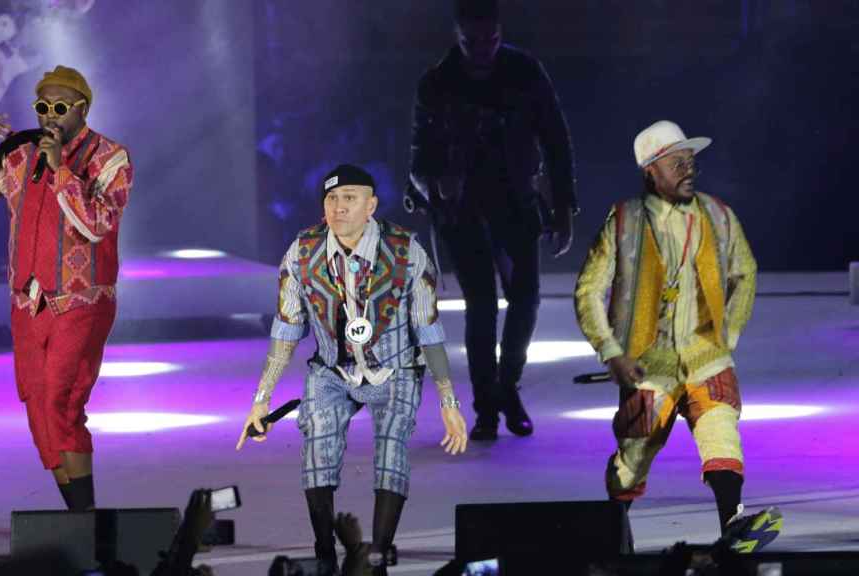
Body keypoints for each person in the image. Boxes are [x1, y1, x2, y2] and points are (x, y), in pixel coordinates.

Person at [238, 164, 467, 575]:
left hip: (395, 367)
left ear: (371, 205)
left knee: (393, 445)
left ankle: (377, 552)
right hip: (332, 369)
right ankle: (325, 551)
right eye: (331, 199)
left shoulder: (405, 251)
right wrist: (261, 400)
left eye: (350, 198)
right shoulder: (302, 253)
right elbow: (286, 331)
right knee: (316, 445)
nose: (339, 208)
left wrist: (448, 401)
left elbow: (428, 330)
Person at [574, 119, 780, 552]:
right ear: (651, 169)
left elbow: (746, 271)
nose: (690, 169)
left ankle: (733, 526)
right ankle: (614, 531)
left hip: (706, 356)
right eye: (678, 162)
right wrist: (611, 351)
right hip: (648, 362)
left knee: (721, 429)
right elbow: (590, 289)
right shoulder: (625, 220)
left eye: (692, 161)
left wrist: (730, 332)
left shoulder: (718, 215)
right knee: (634, 456)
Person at [0, 65, 133, 510]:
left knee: (61, 401)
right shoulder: (19, 153)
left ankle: (84, 520)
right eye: (42, 106)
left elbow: (97, 224)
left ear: (81, 108)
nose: (49, 116)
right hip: (27, 302)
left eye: (59, 107)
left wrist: (61, 171)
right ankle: (78, 516)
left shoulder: (110, 158)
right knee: (37, 406)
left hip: (81, 300)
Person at [408, 0, 577, 441]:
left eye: (490, 41)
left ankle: (505, 387)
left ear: (499, 34)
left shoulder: (524, 72)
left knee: (527, 299)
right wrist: (436, 185)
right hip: (463, 212)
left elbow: (556, 138)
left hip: (516, 204)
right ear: (457, 35)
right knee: (481, 306)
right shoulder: (438, 83)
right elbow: (417, 158)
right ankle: (487, 405)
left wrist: (563, 208)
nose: (482, 50)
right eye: (472, 42)